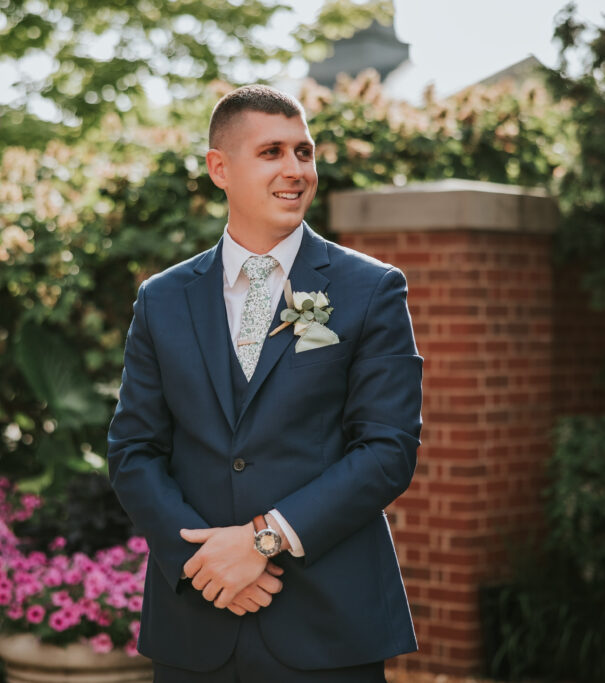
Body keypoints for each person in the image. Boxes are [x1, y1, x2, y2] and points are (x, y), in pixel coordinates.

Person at [106, 84, 422, 682]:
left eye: (304, 152)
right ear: (219, 168)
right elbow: (133, 451)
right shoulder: (162, 298)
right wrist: (205, 563)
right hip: (195, 626)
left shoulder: (372, 289)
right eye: (272, 152)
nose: (296, 170)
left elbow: (387, 450)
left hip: (329, 627)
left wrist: (261, 542)